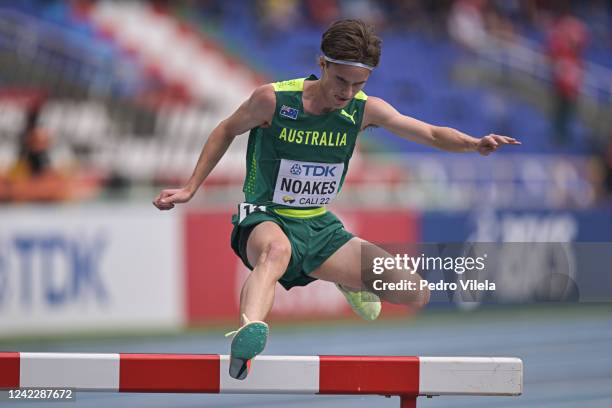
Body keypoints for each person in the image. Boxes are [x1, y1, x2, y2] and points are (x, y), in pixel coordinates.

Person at [153, 19, 520, 380]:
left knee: (415, 292)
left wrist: (474, 144)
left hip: (320, 226)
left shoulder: (364, 109)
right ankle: (247, 338)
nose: (347, 92)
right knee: (275, 253)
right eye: (341, 80)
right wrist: (191, 186)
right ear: (322, 64)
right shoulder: (274, 99)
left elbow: (429, 133)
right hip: (265, 216)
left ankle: (348, 280)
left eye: (358, 83)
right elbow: (226, 129)